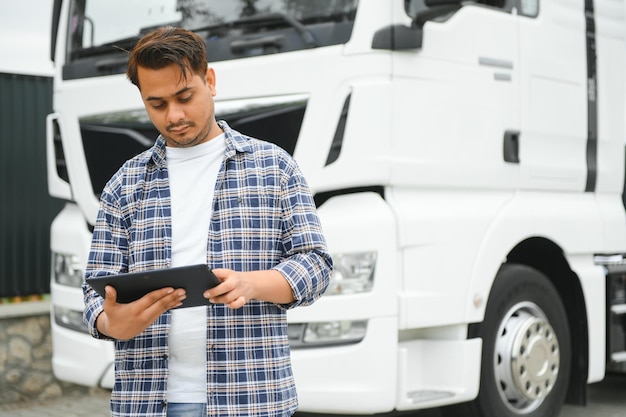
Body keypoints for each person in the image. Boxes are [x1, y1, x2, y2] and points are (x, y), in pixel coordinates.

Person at [82, 26, 332, 417]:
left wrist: (253, 284)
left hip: (251, 398)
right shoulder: (123, 185)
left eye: (185, 97)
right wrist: (112, 323)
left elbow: (315, 266)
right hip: (146, 402)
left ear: (210, 81)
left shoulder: (274, 167)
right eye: (157, 104)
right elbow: (94, 292)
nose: (175, 115)